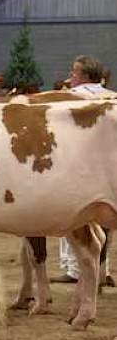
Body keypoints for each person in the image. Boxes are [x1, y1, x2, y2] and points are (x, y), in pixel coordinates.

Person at [54, 56, 114, 284]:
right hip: (109, 166)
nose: (71, 78)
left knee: (72, 218)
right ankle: (103, 271)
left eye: (74, 73)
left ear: (86, 76)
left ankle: (73, 269)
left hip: (81, 164)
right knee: (106, 223)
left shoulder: (73, 98)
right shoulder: (111, 95)